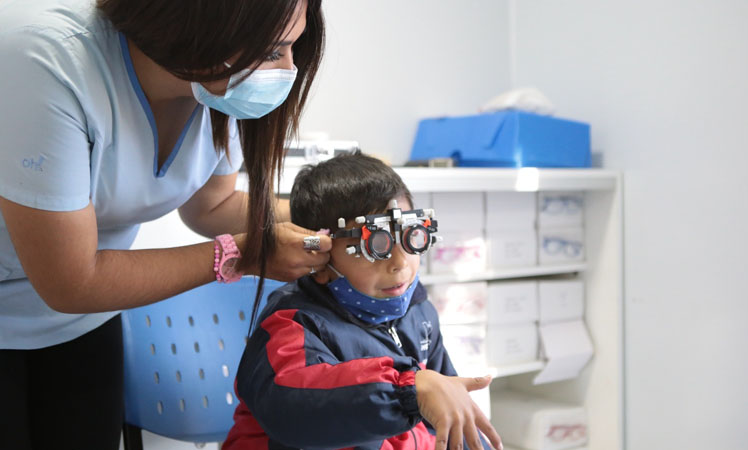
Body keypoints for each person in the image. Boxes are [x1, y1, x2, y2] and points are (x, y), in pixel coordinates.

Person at [0, 0, 331, 448]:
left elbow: (211, 206)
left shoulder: (213, 89)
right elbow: (71, 282)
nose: (287, 71)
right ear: (201, 27)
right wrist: (241, 254)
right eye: (274, 50)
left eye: (293, 46)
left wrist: (332, 212)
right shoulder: (46, 63)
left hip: (81, 321)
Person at [223, 151, 503, 450]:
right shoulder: (293, 325)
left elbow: (446, 412)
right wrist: (407, 392)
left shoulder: (419, 312)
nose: (400, 263)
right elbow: (295, 409)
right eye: (377, 245)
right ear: (319, 255)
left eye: (410, 237)